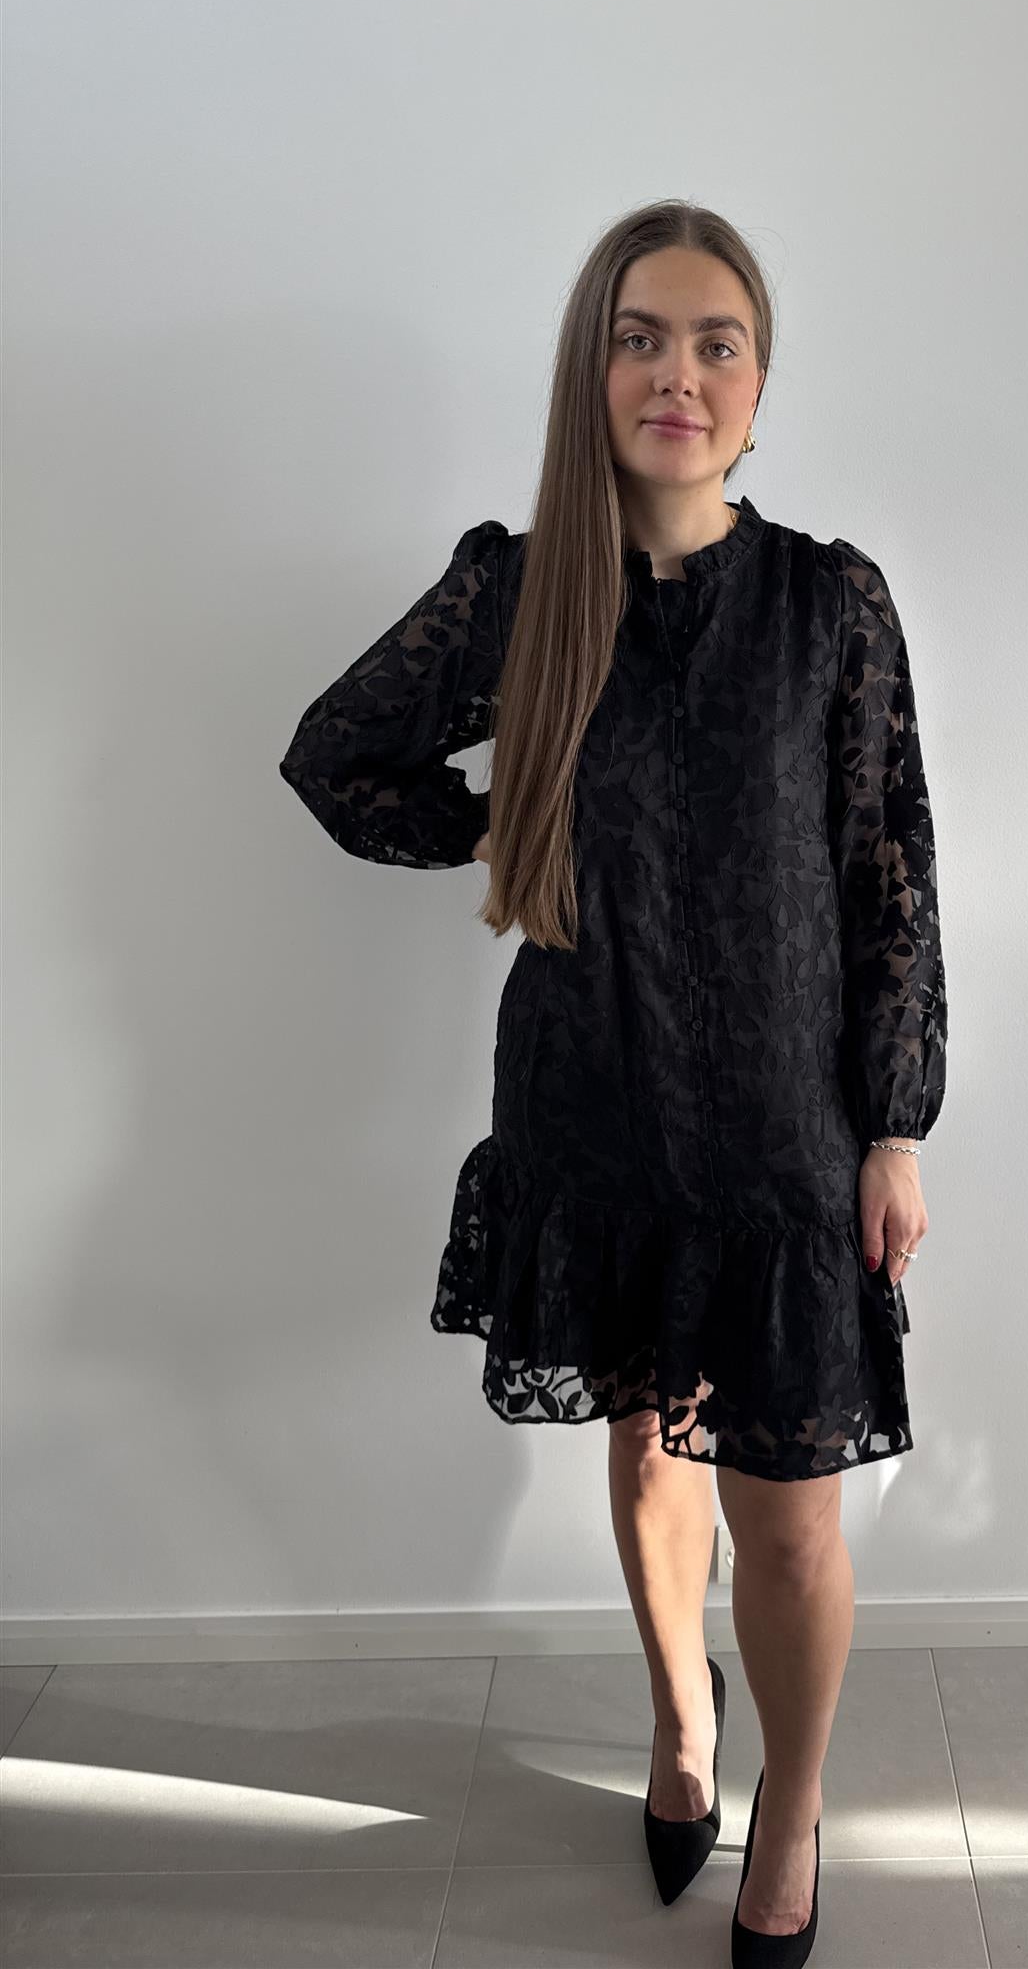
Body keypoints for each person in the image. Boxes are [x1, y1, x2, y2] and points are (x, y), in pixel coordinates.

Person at [278, 199, 948, 1966]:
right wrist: (502, 826)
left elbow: (889, 863)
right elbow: (336, 755)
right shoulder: (519, 591)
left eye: (717, 343)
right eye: (641, 338)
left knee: (787, 1522)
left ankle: (792, 1810)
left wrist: (895, 1122)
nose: (678, 373)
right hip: (594, 1101)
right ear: (594, 369)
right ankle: (679, 1720)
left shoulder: (828, 603)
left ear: (758, 385)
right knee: (650, 1455)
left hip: (786, 1130)